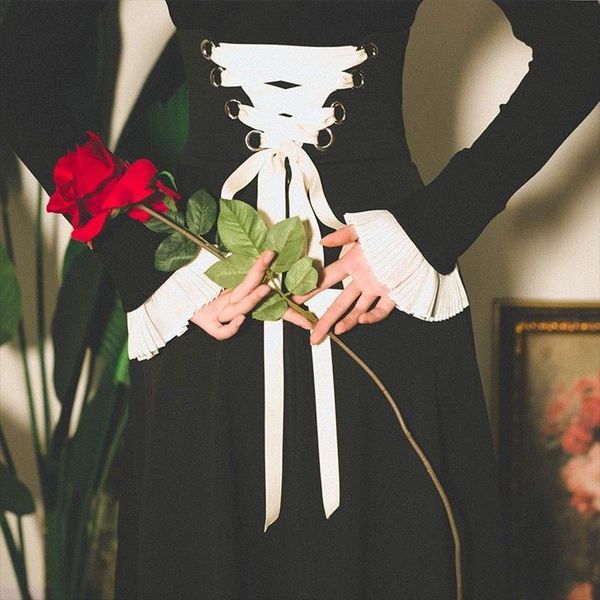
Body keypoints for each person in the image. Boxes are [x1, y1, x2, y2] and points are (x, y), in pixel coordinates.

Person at [1, 1, 598, 599]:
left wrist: (431, 229)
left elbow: (581, 44)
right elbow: (18, 70)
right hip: (206, 297)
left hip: (383, 290)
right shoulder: (184, 283)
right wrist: (147, 258)